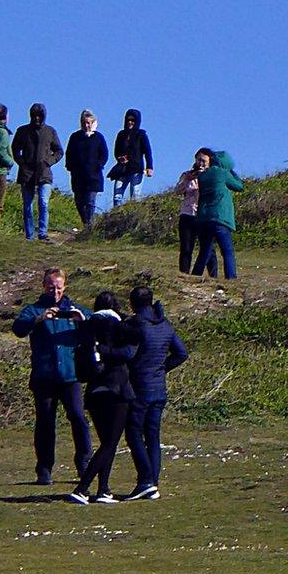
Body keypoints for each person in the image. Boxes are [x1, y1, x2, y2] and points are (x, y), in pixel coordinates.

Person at [11, 267, 92, 485]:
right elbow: (18, 328)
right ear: (43, 286)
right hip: (44, 376)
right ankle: (44, 468)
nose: (54, 292)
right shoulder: (34, 309)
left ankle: (84, 463)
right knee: (45, 423)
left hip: (70, 376)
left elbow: (98, 326)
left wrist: (82, 320)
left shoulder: (74, 309)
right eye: (50, 287)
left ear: (64, 287)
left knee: (78, 417)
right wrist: (39, 319)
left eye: (58, 288)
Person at [69, 291, 138, 505]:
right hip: (117, 390)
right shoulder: (119, 326)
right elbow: (130, 350)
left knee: (105, 442)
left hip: (94, 390)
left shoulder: (87, 327)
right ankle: (82, 488)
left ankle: (103, 489)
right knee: (110, 443)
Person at [123, 286, 188, 500]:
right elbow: (181, 353)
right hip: (158, 387)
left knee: (133, 434)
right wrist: (162, 367)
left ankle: (145, 480)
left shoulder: (136, 325)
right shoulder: (165, 325)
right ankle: (153, 483)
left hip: (139, 387)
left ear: (132, 303)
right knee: (152, 436)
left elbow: (127, 352)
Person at [12, 103, 64, 240]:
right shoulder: (22, 131)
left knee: (43, 202)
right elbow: (15, 149)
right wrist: (22, 163)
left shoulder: (50, 131)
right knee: (27, 206)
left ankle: (42, 233)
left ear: (43, 116)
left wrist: (48, 162)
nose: (36, 118)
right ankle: (29, 235)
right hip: (27, 173)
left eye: (39, 116)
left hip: (44, 173)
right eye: (34, 115)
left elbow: (59, 151)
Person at [190, 149, 244, 280]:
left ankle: (195, 275)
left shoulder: (202, 175)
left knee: (205, 251)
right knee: (227, 252)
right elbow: (239, 186)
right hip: (220, 217)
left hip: (203, 217)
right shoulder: (223, 173)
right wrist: (231, 171)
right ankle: (231, 278)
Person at [174, 151, 218, 276]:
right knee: (186, 247)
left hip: (204, 215)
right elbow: (177, 191)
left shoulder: (212, 176)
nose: (201, 163)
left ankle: (213, 274)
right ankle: (184, 273)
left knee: (208, 248)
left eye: (204, 161)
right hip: (187, 214)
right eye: (199, 160)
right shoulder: (187, 175)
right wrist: (188, 180)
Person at [64, 109, 109, 226]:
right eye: (84, 123)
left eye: (88, 123)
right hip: (78, 176)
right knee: (79, 202)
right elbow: (69, 153)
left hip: (93, 176)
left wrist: (99, 165)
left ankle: (88, 225)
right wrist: (70, 166)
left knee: (90, 201)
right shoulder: (75, 137)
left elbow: (104, 154)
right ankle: (85, 222)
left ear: (93, 123)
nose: (86, 125)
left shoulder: (99, 137)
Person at [109, 109, 153, 207]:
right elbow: (116, 151)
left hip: (136, 169)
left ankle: (134, 216)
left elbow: (147, 151)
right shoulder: (121, 134)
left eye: (133, 120)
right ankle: (117, 216)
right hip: (122, 169)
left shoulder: (141, 135)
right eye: (128, 120)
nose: (130, 122)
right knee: (117, 196)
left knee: (135, 196)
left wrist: (149, 167)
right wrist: (120, 158)